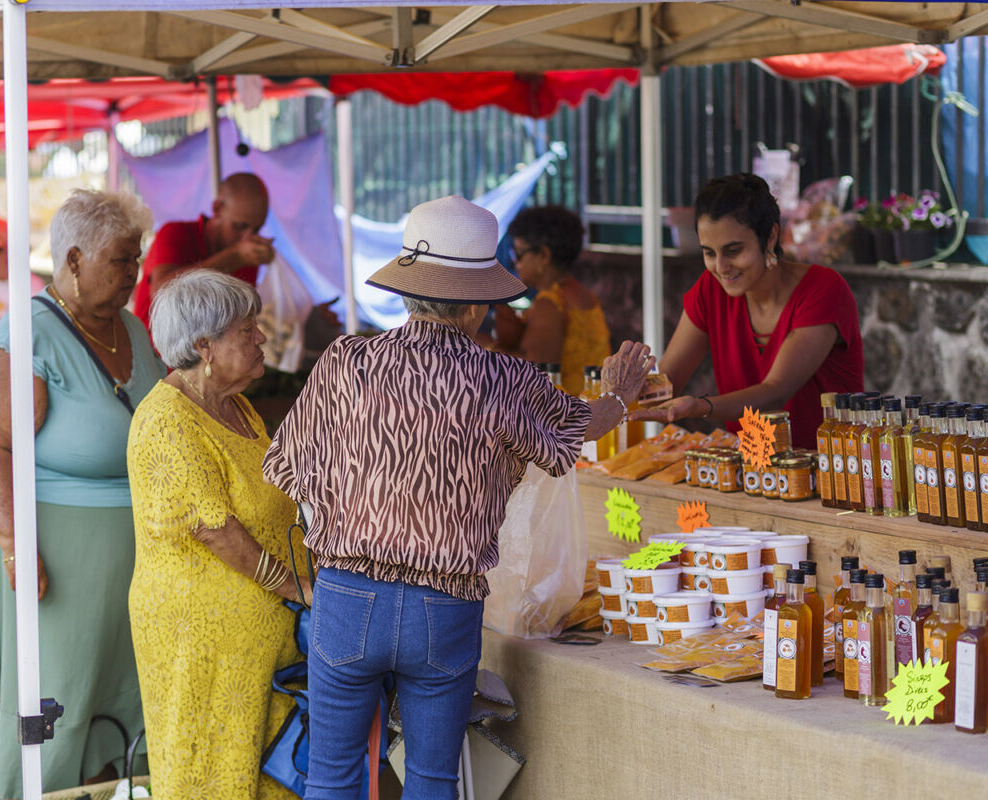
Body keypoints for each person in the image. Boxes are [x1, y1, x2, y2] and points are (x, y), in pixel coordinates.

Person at [263, 196, 654, 800]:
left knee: (332, 777)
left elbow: (285, 468)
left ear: (406, 292)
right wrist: (620, 395)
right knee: (432, 779)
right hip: (443, 609)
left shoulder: (345, 361)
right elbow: (578, 427)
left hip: (346, 599)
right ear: (476, 305)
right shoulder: (504, 380)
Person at [0, 190, 164, 798]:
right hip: (58, 561)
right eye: (121, 260)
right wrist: (16, 547)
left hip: (137, 561)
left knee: (123, 702)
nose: (134, 272)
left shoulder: (131, 327)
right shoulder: (29, 333)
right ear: (73, 259)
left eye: (136, 258)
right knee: (59, 701)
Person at [128, 269, 311, 799]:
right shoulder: (167, 419)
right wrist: (298, 587)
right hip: (201, 640)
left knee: (270, 773)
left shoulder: (236, 405)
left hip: (262, 637)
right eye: (246, 330)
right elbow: (217, 531)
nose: (261, 337)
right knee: (211, 770)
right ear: (204, 346)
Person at [630, 173, 864, 448]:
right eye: (709, 253)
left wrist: (700, 406)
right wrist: (623, 387)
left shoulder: (824, 289)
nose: (721, 267)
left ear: (770, 236)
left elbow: (776, 392)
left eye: (733, 251)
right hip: (752, 467)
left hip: (832, 466)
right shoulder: (711, 289)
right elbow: (665, 388)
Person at [492, 205, 611, 395]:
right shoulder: (584, 295)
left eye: (519, 254)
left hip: (569, 409)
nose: (516, 262)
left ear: (544, 255)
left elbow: (533, 373)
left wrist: (485, 348)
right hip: (594, 402)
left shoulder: (550, 303)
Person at [131, 172, 275, 328]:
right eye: (240, 226)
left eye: (256, 229)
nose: (247, 237)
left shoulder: (247, 258)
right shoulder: (175, 233)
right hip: (150, 342)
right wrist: (235, 257)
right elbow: (162, 294)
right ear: (217, 208)